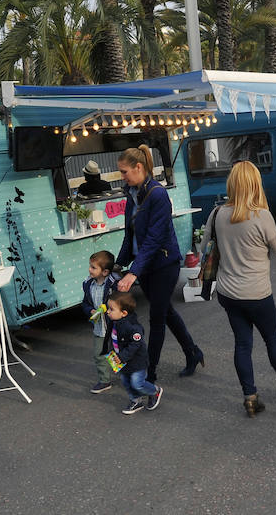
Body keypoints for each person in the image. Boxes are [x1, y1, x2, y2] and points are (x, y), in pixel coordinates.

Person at [201, 161, 276, 418]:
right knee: (272, 339)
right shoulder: (261, 216)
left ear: (232, 184)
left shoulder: (217, 214)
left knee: (242, 344)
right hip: (257, 293)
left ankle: (250, 397)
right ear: (256, 184)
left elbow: (204, 248)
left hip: (228, 293)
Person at [115, 145, 204, 383]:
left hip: (164, 264)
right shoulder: (132, 193)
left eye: (124, 172)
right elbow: (130, 234)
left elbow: (154, 238)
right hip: (145, 266)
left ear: (139, 167)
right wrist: (118, 265)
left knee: (156, 318)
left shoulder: (157, 194)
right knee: (166, 313)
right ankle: (192, 353)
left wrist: (133, 273)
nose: (122, 177)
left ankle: (149, 373)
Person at [106, 292, 162, 415]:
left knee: (137, 383)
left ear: (124, 313)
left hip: (136, 362)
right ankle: (136, 400)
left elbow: (135, 344)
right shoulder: (115, 321)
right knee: (126, 382)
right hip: (121, 361)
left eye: (111, 309)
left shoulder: (132, 327)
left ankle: (155, 391)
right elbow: (113, 339)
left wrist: (121, 357)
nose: (108, 312)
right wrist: (111, 353)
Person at [83, 250, 121, 394]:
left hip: (115, 327)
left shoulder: (112, 284)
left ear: (104, 272)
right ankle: (105, 380)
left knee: (117, 352)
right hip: (99, 328)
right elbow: (85, 303)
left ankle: (127, 375)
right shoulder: (88, 284)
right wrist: (90, 310)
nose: (89, 269)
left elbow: (121, 302)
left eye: (93, 267)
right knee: (99, 354)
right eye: (90, 266)